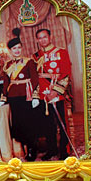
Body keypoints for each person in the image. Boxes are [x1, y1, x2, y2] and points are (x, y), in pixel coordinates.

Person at [0, 28, 39, 160]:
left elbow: (35, 79)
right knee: (18, 126)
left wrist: (35, 96)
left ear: (21, 48)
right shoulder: (7, 65)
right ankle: (24, 149)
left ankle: (32, 149)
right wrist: (3, 99)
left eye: (19, 48)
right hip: (13, 97)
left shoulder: (29, 62)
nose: (17, 50)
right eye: (14, 48)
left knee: (29, 124)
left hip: (27, 95)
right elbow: (5, 82)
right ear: (10, 50)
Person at [32, 28, 72, 160]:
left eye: (45, 37)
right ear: (37, 40)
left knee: (62, 125)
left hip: (57, 94)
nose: (42, 40)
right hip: (44, 97)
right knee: (48, 127)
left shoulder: (61, 52)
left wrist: (55, 91)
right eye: (40, 38)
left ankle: (64, 151)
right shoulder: (36, 56)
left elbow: (66, 74)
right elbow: (35, 78)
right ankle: (52, 150)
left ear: (50, 37)